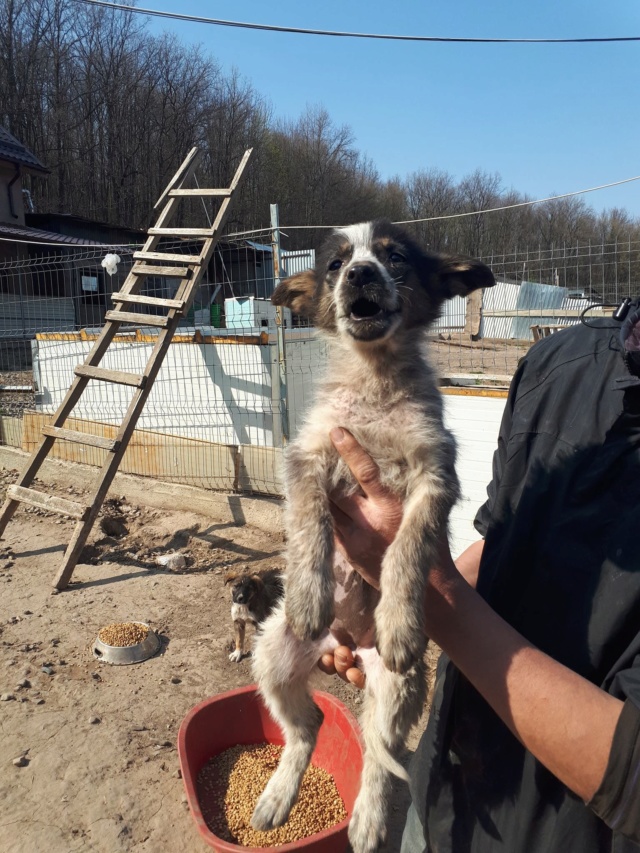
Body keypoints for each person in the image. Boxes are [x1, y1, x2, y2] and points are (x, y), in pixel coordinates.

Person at [320, 300, 640, 852]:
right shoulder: (558, 363)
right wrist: (382, 612)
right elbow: (501, 535)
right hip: (445, 789)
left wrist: (425, 592)